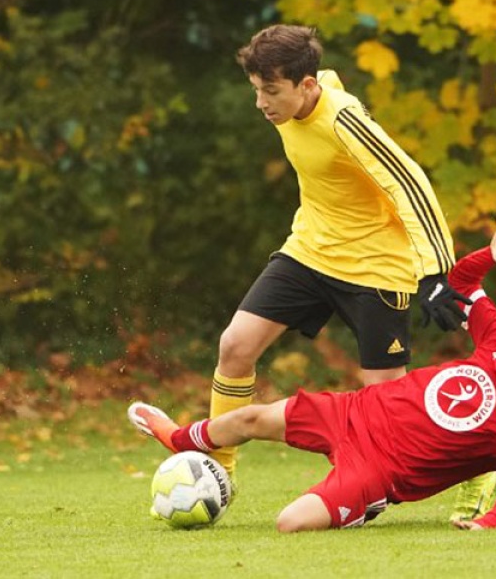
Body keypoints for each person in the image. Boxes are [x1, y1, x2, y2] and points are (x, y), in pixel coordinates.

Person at [128, 216, 496, 532]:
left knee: (289, 524)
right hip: (354, 412)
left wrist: (488, 525)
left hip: (380, 471)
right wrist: (486, 258)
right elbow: (462, 285)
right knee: (249, 420)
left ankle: (365, 508)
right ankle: (181, 439)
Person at [201, 25, 469, 480]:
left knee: (392, 408)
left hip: (376, 269)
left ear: (305, 86)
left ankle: (472, 465)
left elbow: (409, 182)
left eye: (270, 91)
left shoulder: (345, 120)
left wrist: (437, 271)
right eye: (255, 90)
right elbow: (323, 72)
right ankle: (216, 473)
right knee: (235, 346)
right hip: (311, 251)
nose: (261, 104)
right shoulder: (297, 98)